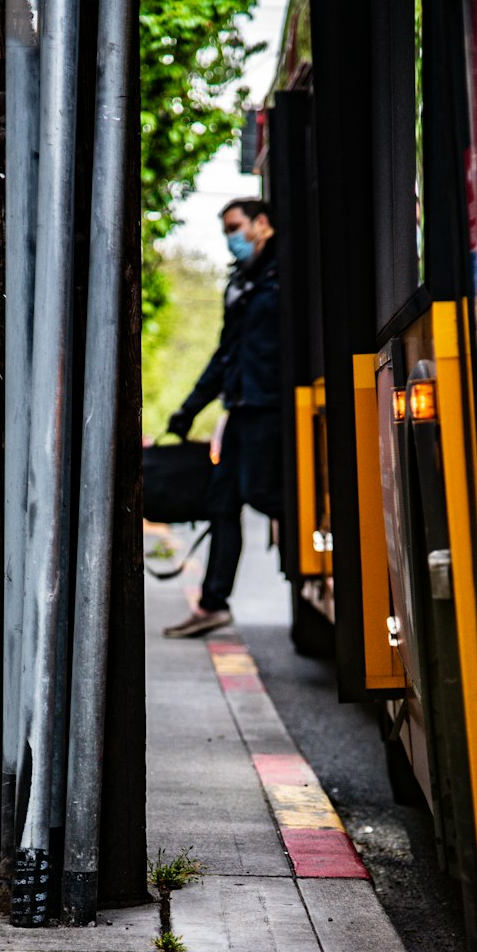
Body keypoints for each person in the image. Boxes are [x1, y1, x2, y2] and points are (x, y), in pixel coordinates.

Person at [162, 198, 282, 638]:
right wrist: (189, 409)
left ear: (262, 224)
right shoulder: (240, 284)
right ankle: (212, 605)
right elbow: (224, 355)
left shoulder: (284, 276)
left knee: (263, 492)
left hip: (273, 408)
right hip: (241, 408)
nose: (230, 238)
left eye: (235, 227)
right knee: (221, 502)